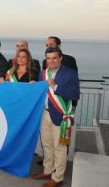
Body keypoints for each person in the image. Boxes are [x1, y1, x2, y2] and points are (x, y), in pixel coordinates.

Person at [32, 46, 80, 187]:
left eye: (54, 58)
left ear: (60, 58)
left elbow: (75, 95)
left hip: (62, 115)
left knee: (60, 147)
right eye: (48, 58)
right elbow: (41, 91)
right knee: (46, 144)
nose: (51, 61)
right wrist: (34, 86)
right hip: (45, 113)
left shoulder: (70, 73)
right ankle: (48, 171)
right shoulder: (43, 73)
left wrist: (56, 87)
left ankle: (58, 178)